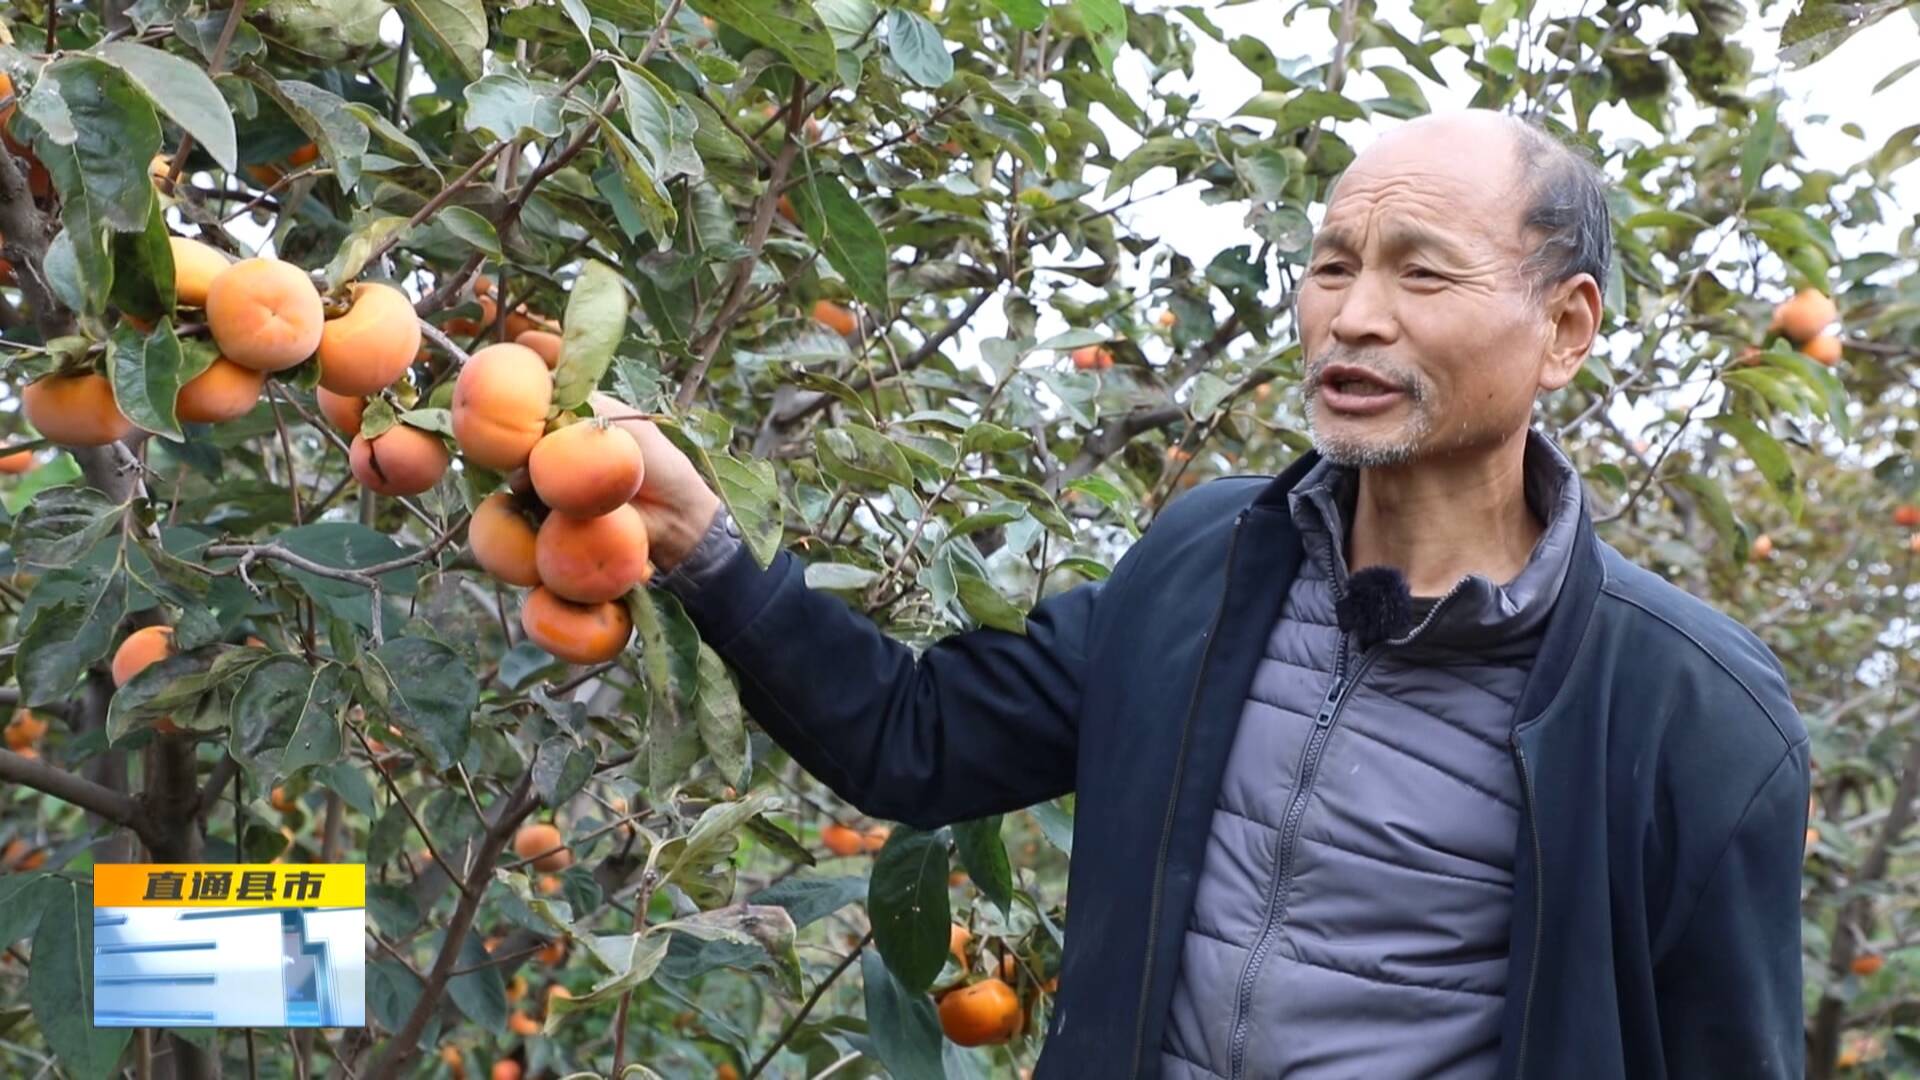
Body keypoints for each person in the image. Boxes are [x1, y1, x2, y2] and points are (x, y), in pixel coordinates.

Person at [594, 109, 1808, 1079]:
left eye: (1422, 273)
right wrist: (703, 541)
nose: (1354, 317)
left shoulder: (1691, 713)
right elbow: (915, 739)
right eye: (1331, 267)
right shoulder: (1211, 560)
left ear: (1565, 329)